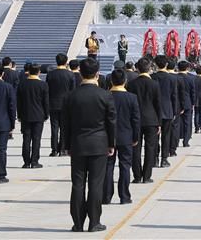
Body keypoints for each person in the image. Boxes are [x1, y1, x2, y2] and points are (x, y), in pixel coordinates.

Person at [62, 58, 116, 232]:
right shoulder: (105, 95)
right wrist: (111, 143)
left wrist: (66, 144)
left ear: (80, 73)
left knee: (77, 183)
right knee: (95, 184)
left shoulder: (71, 96)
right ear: (97, 74)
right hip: (99, 144)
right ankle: (94, 222)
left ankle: (77, 222)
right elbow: (111, 122)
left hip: (77, 144)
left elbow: (65, 123)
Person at [104, 68, 139, 205]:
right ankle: (124, 196)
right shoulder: (132, 98)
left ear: (111, 80)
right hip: (126, 136)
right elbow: (135, 120)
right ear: (125, 81)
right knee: (125, 166)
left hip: (108, 137)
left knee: (108, 166)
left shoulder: (105, 95)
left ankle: (106, 196)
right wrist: (135, 137)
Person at [130, 59, 161, 184]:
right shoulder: (154, 84)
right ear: (149, 69)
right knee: (150, 148)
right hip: (151, 120)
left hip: (135, 120)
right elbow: (158, 105)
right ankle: (147, 176)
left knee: (135, 148)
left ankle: (137, 176)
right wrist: (159, 123)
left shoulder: (132, 84)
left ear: (137, 68)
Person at [17, 63, 49, 169]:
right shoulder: (43, 85)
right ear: (39, 72)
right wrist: (46, 114)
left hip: (25, 114)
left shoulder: (22, 84)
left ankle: (26, 161)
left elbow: (19, 102)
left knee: (26, 138)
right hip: (38, 115)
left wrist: (19, 114)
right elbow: (45, 102)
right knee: (36, 139)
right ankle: (35, 161)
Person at [47, 54, 76, 157]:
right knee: (64, 128)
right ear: (66, 61)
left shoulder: (50, 74)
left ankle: (54, 149)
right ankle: (63, 149)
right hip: (66, 105)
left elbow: (48, 90)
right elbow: (72, 91)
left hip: (53, 104)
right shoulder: (70, 74)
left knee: (54, 128)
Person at [152, 55, 178, 168]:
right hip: (167, 110)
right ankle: (164, 159)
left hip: (154, 110)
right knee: (166, 136)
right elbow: (174, 96)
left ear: (155, 64)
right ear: (166, 64)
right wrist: (174, 111)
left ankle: (155, 158)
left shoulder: (152, 77)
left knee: (154, 136)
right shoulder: (172, 78)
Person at [177, 61, 196, 147]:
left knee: (177, 122)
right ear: (187, 68)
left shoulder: (175, 77)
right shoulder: (191, 78)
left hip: (177, 102)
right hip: (188, 102)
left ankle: (176, 140)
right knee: (187, 122)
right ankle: (186, 140)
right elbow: (193, 92)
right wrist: (193, 102)